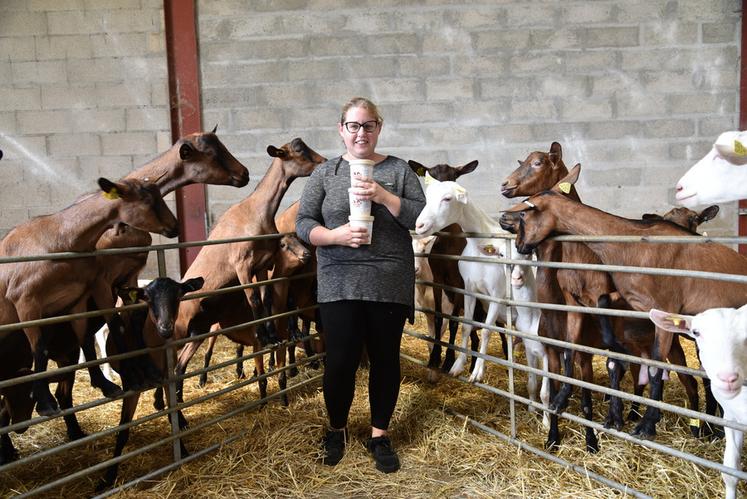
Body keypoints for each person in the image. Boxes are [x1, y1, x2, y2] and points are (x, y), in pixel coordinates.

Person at [295, 97, 426, 473]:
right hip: (339, 281)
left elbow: (419, 218)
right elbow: (303, 223)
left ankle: (380, 435)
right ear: (341, 130)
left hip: (388, 280)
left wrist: (383, 195)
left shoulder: (399, 170)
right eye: (353, 125)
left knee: (386, 360)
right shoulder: (326, 174)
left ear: (378, 128)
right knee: (340, 361)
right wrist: (333, 236)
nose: (361, 132)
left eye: (368, 125)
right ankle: (336, 429)